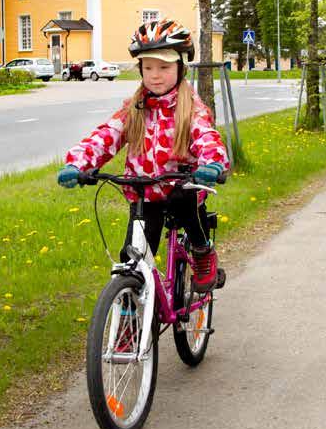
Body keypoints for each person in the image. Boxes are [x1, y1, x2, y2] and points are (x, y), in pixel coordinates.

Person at [56, 20, 230, 293]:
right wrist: (77, 163)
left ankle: (201, 251)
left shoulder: (191, 108)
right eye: (148, 68)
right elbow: (107, 135)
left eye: (164, 67)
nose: (155, 75)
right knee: (131, 258)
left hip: (181, 185)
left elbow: (207, 136)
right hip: (145, 192)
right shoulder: (135, 107)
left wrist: (212, 163)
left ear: (181, 67)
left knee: (186, 202)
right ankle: (128, 318)